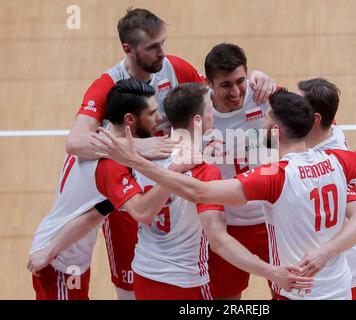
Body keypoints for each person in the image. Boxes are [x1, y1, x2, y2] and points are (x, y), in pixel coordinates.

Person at [91, 64, 356, 299]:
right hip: (338, 287)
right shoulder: (337, 159)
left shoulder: (274, 176)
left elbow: (199, 189)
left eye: (265, 117)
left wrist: (134, 160)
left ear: (277, 130)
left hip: (296, 289)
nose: (258, 118)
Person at [29, 80, 313, 300]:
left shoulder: (142, 160)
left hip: (145, 275)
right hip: (186, 280)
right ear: (199, 121)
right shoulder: (205, 170)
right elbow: (218, 240)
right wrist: (270, 272)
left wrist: (50, 248)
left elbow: (97, 212)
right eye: (211, 109)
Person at [64, 8, 276, 299]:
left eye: (162, 43)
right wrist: (138, 147)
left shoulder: (174, 68)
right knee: (127, 283)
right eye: (153, 47)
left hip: (175, 181)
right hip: (134, 183)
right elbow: (75, 142)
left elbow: (217, 88)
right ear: (129, 49)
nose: (162, 52)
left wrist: (257, 79)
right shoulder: (107, 85)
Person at [27, 80, 188, 299]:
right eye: (151, 113)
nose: (159, 118)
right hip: (59, 257)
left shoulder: (93, 140)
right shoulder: (112, 166)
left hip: (69, 252)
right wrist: (49, 252)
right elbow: (91, 218)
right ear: (129, 119)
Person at [202, 43, 273, 299]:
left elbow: (316, 121)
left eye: (240, 81)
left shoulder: (265, 97)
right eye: (225, 85)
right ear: (209, 83)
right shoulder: (198, 113)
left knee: (292, 290)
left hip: (272, 219)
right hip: (226, 227)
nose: (235, 91)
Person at [298, 78, 356, 299]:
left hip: (347, 267)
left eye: (299, 104)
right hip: (327, 265)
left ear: (315, 118)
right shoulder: (330, 127)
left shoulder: (328, 160)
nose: (294, 106)